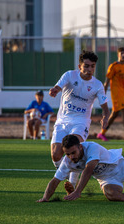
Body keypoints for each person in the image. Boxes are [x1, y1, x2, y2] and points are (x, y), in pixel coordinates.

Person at [49, 50, 110, 189]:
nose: (90, 69)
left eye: (92, 66)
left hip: (81, 122)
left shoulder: (97, 85)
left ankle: (72, 184)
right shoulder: (70, 75)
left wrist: (105, 117)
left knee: (75, 149)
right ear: (79, 66)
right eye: (87, 66)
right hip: (62, 121)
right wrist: (54, 90)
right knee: (56, 154)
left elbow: (105, 107)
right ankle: (64, 173)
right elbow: (58, 86)